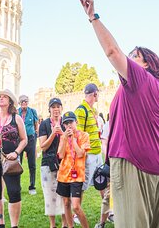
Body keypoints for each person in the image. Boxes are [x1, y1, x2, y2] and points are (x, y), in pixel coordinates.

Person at [80, 0, 159, 227]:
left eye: (134, 55)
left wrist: (93, 17)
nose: (128, 58)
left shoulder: (140, 80)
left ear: (147, 64)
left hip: (134, 164)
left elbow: (112, 52)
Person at [0, 89, 28, 228]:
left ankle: (14, 225)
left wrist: (16, 152)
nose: (1, 99)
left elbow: (24, 139)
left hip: (10, 160)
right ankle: (0, 223)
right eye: (0, 97)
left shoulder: (16, 118)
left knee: (14, 191)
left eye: (4, 97)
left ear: (10, 101)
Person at [75, 83, 111, 228]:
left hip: (97, 154)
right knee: (83, 185)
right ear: (94, 94)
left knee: (103, 182)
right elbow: (78, 133)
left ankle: (107, 212)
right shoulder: (81, 110)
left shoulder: (92, 110)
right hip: (88, 155)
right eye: (97, 94)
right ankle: (76, 214)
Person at [56, 111, 91, 228]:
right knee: (66, 203)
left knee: (76, 206)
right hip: (63, 175)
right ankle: (70, 226)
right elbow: (60, 155)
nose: (68, 125)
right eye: (65, 124)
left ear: (76, 122)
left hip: (77, 175)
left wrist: (74, 139)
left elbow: (81, 154)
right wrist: (65, 138)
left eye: (70, 122)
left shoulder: (84, 135)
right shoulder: (63, 137)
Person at [38, 98, 69, 228]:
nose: (56, 109)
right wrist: (52, 134)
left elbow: (71, 143)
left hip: (64, 163)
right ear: (49, 109)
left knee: (64, 194)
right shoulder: (44, 124)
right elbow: (43, 146)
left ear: (61, 108)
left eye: (58, 106)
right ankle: (52, 225)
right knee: (49, 195)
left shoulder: (66, 123)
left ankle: (64, 223)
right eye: (53, 107)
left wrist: (62, 133)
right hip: (48, 164)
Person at [18, 94, 40, 195]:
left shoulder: (32, 111)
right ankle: (17, 186)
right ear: (19, 103)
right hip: (19, 139)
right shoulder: (17, 112)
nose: (24, 103)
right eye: (22, 102)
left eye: (25, 102)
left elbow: (36, 124)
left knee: (32, 164)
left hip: (30, 138)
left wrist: (36, 133)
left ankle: (32, 186)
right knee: (17, 163)